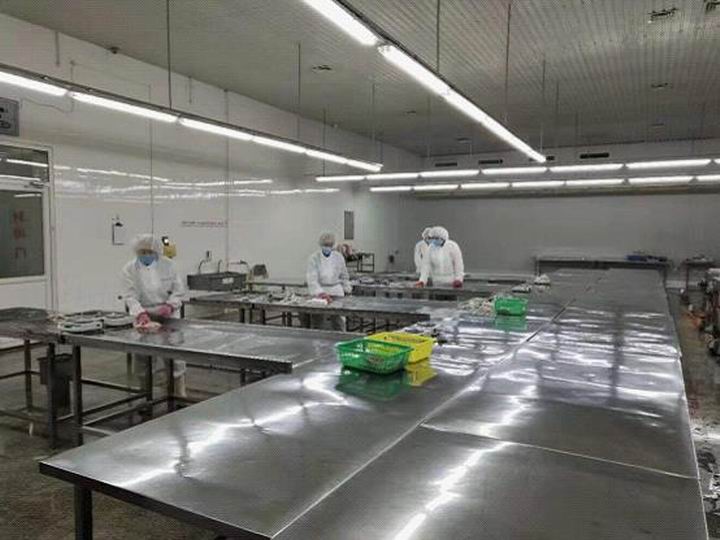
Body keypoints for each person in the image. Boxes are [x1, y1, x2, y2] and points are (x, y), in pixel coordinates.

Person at [121, 233, 188, 396]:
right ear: (136, 252)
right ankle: (145, 394)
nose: (146, 255)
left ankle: (178, 392)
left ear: (156, 251)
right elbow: (129, 295)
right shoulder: (129, 269)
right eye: (142, 252)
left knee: (174, 354)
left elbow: (179, 290)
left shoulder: (169, 266)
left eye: (149, 252)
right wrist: (140, 313)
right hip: (144, 316)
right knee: (143, 356)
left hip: (169, 315)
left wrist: (170, 306)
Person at [306, 232, 352, 331]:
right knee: (318, 320)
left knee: (338, 320)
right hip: (320, 292)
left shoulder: (338, 257)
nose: (327, 248)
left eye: (329, 245)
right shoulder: (314, 258)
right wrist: (321, 293)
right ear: (321, 245)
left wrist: (347, 289)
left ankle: (340, 337)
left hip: (336, 291)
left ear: (333, 245)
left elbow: (344, 275)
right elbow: (312, 279)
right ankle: (317, 339)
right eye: (325, 245)